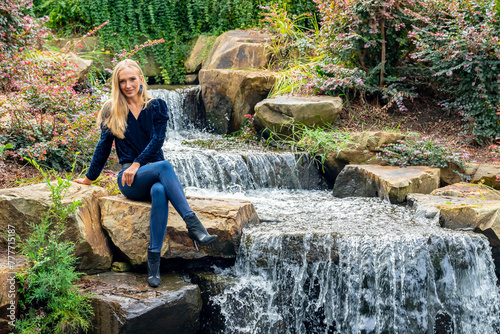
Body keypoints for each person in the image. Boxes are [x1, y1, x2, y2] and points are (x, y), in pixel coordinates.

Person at [75, 59, 217, 288]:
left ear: (141, 78)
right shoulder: (112, 110)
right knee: (165, 166)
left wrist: (138, 162)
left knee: (160, 190)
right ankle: (194, 226)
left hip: (152, 174)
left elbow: (157, 140)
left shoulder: (157, 105)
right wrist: (90, 178)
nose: (128, 85)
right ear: (117, 84)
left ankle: (154, 265)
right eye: (123, 81)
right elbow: (102, 148)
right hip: (130, 180)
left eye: (132, 79)